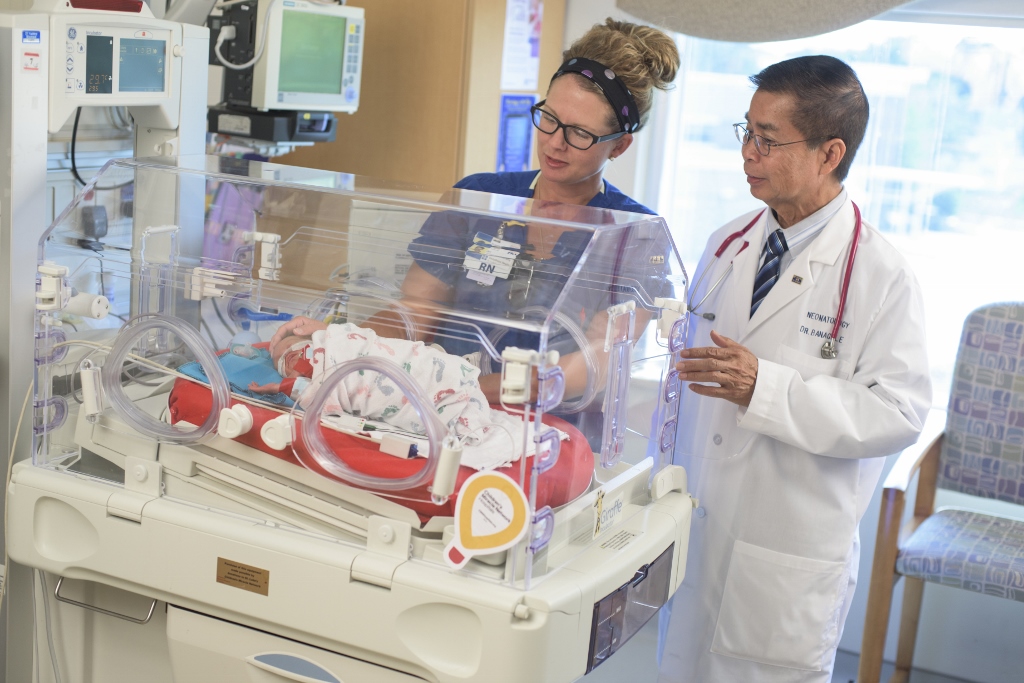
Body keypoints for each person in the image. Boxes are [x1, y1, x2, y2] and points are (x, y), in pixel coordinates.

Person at [658, 56, 931, 683]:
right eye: (745, 132)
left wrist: (767, 388)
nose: (748, 153)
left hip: (783, 561)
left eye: (767, 139)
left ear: (829, 152)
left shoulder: (882, 276)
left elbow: (899, 412)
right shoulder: (726, 245)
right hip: (698, 532)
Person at [273, 18, 680, 408]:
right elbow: (415, 312)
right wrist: (341, 340)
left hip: (549, 431)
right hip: (436, 411)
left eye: (579, 133)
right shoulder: (478, 199)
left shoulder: (636, 235)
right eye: (550, 119)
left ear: (619, 146)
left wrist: (465, 388)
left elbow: (593, 365)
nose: (555, 143)